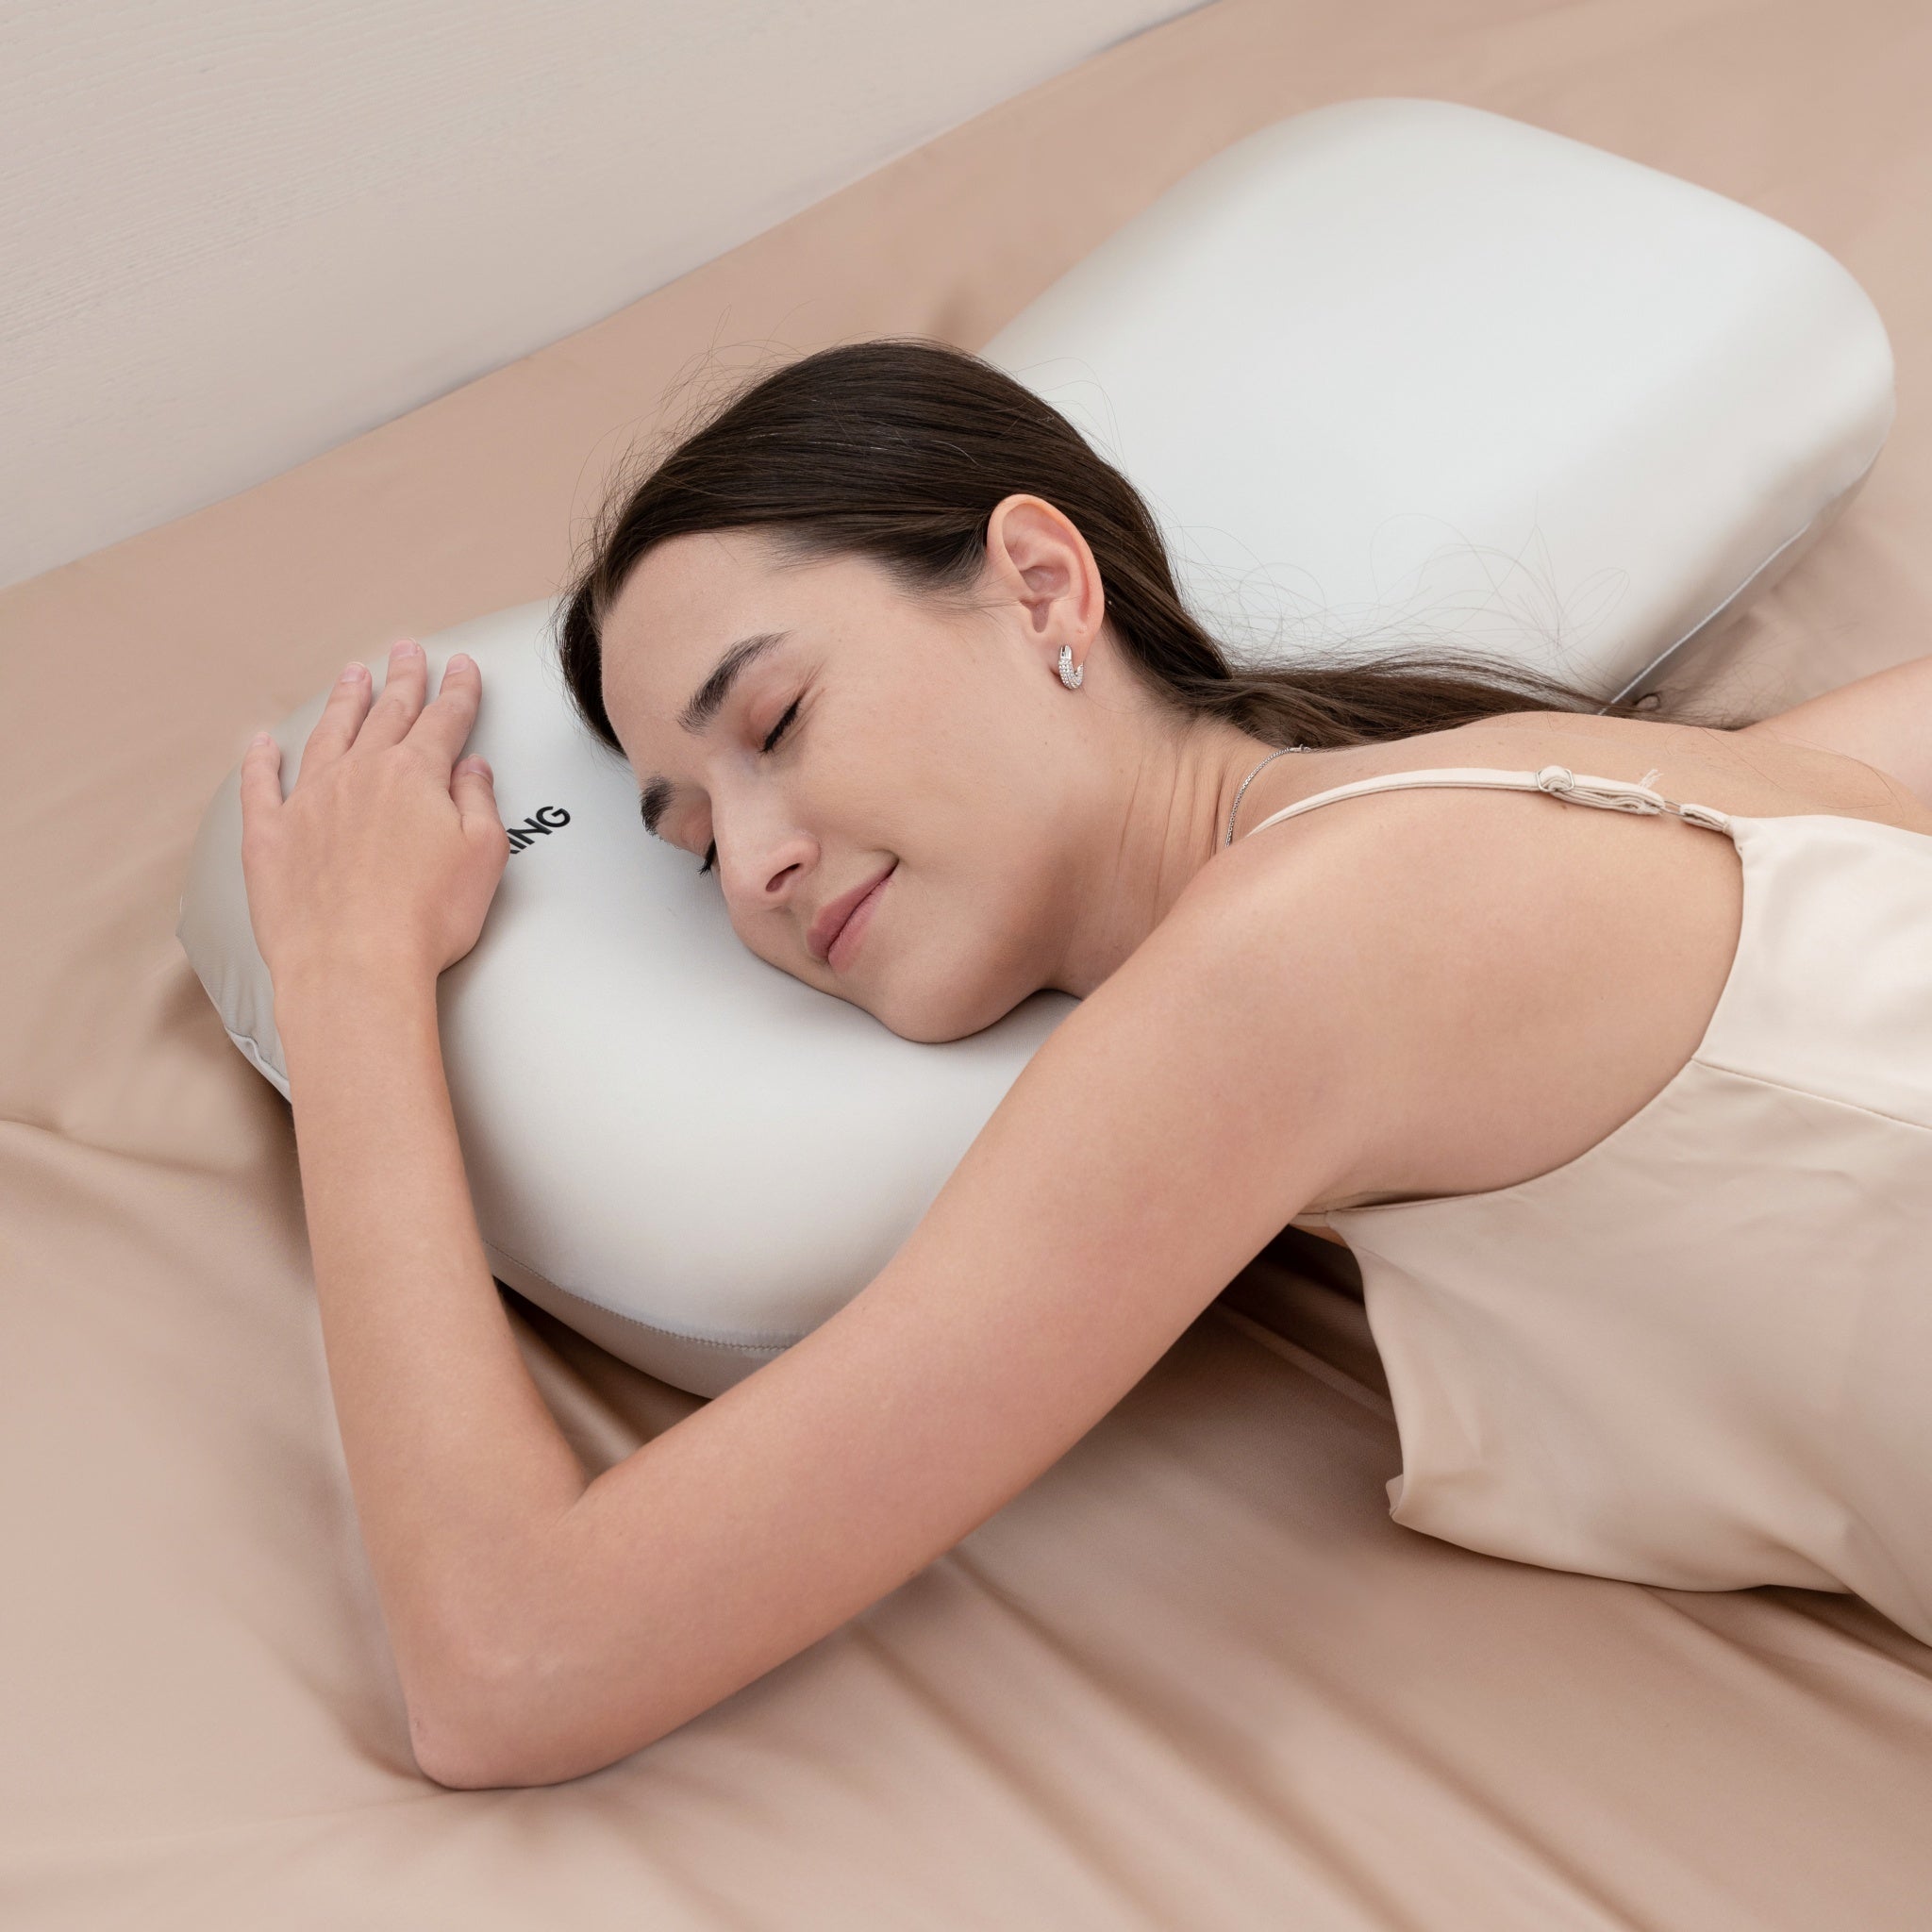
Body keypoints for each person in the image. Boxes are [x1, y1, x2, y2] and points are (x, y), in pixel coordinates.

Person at [237, 340, 1932, 1790]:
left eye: (777, 726)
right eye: (691, 847)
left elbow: (515, 1660)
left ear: (1044, 587)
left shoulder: (1295, 964)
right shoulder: (1544, 797)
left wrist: (348, 984)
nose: (749, 864)